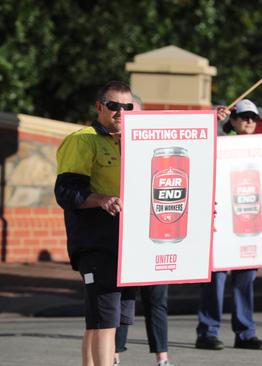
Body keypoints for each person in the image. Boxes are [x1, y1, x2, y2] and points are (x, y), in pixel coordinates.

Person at [195, 99, 262, 351]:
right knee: (215, 279)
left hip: (248, 220)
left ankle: (245, 333)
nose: (249, 121)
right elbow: (201, 145)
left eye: (253, 117)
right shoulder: (219, 143)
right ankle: (207, 331)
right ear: (233, 120)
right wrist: (216, 121)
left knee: (245, 279)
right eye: (244, 117)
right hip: (221, 222)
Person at [55, 80, 136, 366]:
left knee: (102, 319)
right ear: (100, 107)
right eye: (114, 106)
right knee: (105, 321)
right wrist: (101, 199)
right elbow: (66, 191)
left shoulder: (133, 140)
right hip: (96, 243)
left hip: (128, 244)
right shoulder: (83, 139)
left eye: (127, 106)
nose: (120, 112)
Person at [113, 95, 174, 366]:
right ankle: (114, 354)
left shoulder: (158, 147)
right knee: (123, 297)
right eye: (123, 111)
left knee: (156, 299)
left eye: (132, 111)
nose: (127, 116)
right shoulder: (108, 146)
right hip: (122, 234)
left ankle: (162, 357)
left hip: (156, 232)